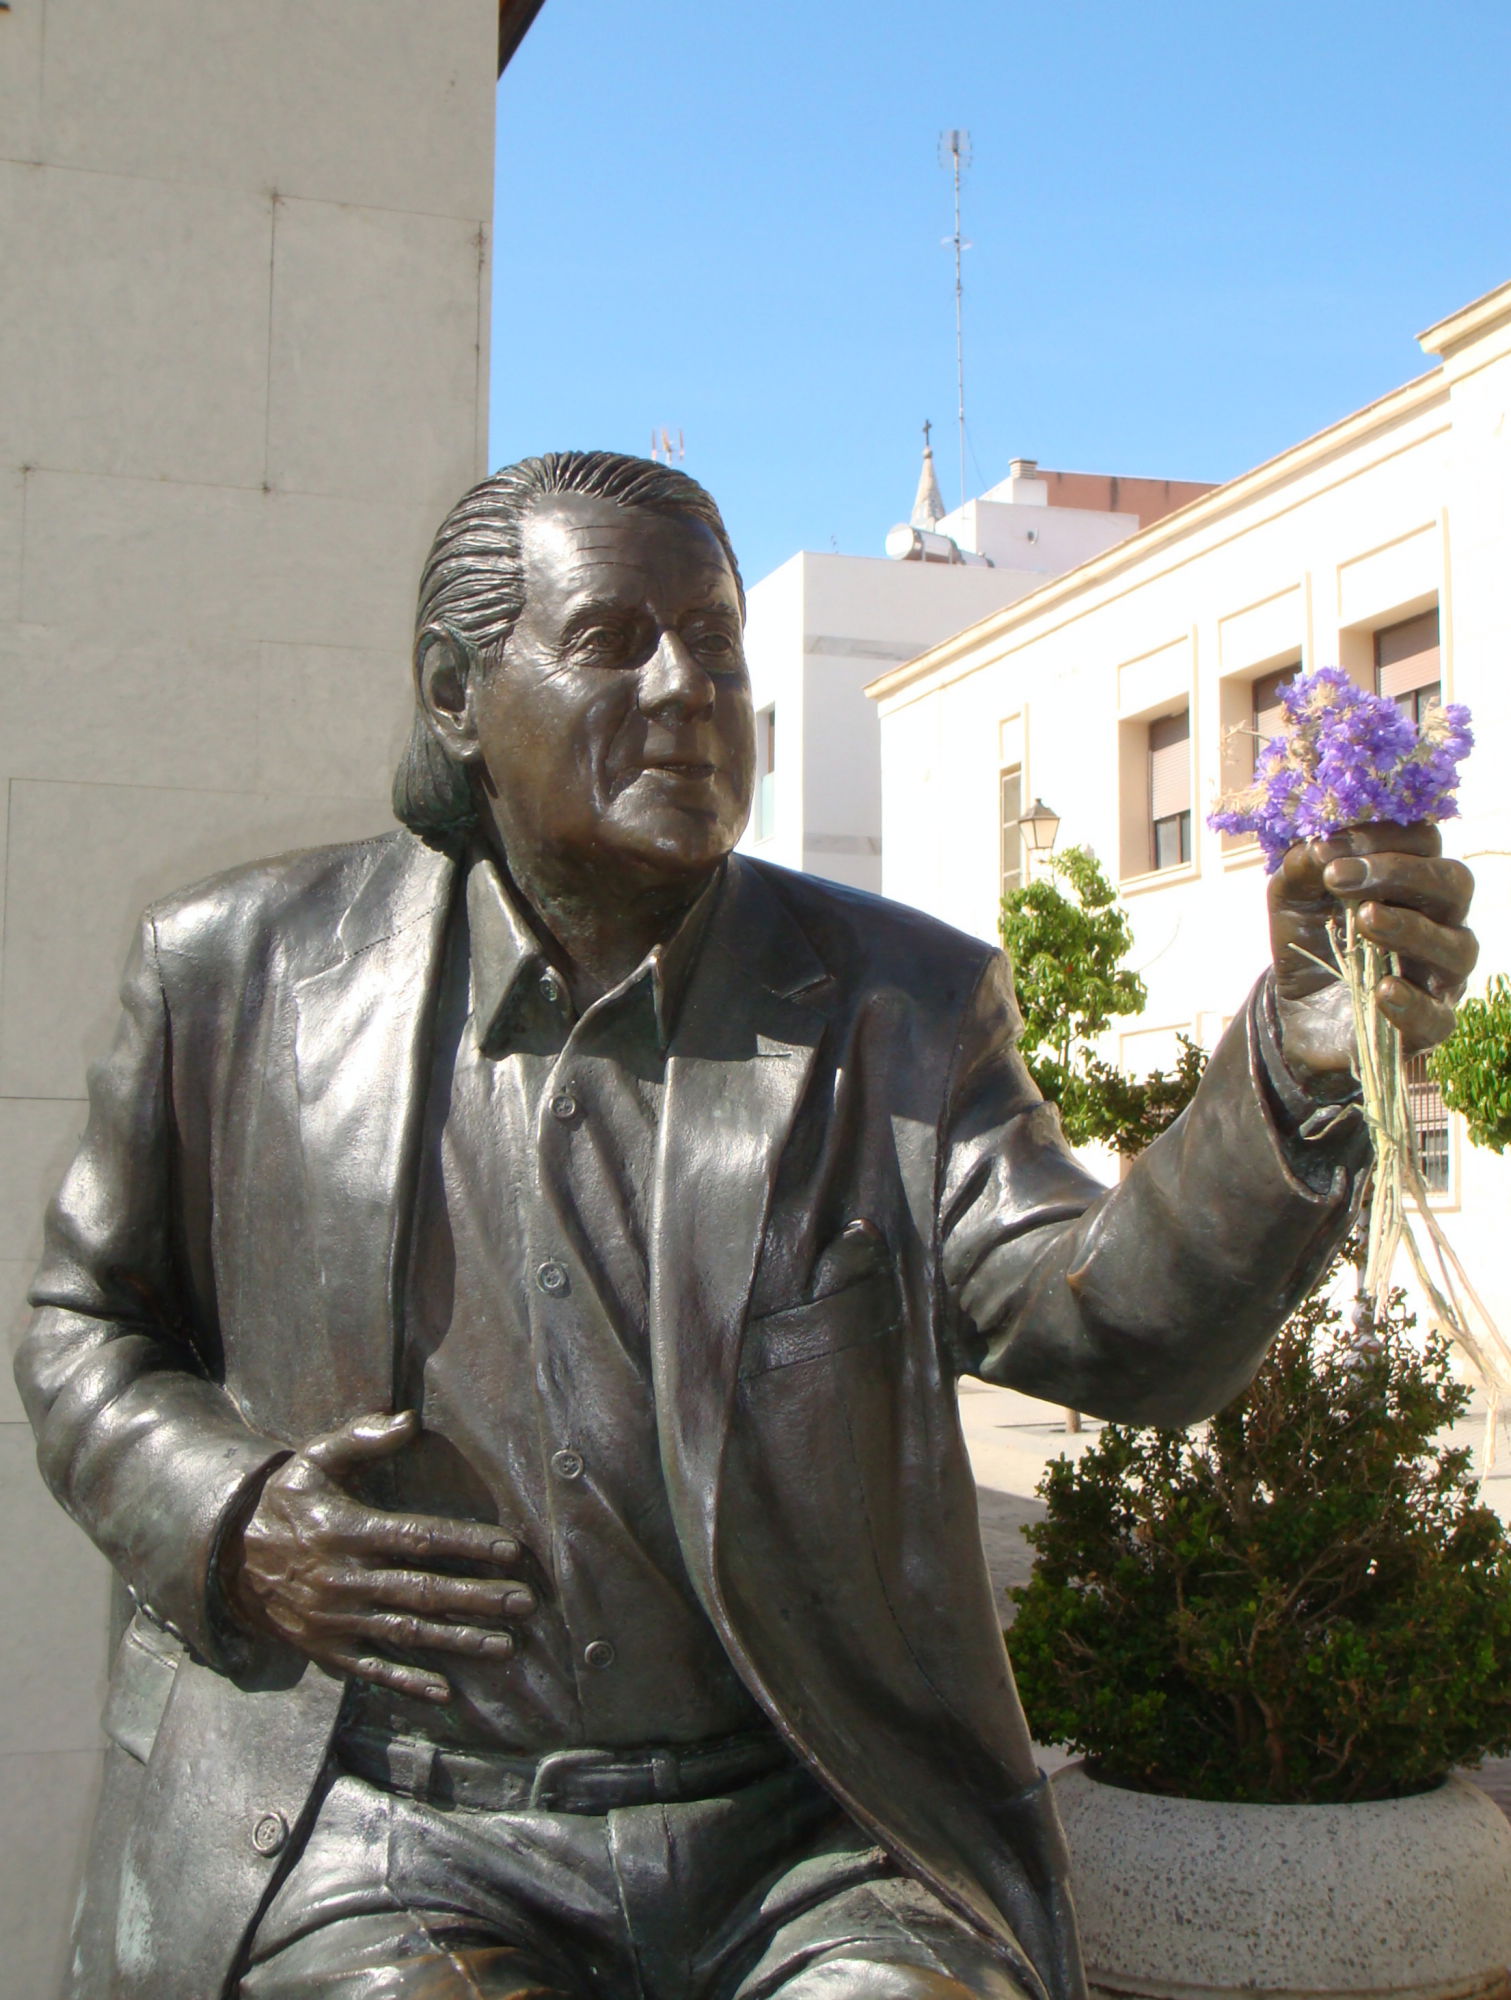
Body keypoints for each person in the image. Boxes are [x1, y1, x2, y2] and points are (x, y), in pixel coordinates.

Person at [17, 452, 1476, 2000]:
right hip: (383, 1839)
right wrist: (234, 1521)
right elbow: (83, 1328)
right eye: (615, 642)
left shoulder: (895, 1008)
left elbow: (1112, 1320)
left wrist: (1297, 1073)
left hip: (804, 1838)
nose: (691, 689)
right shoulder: (238, 980)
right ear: (456, 692)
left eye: (718, 642)